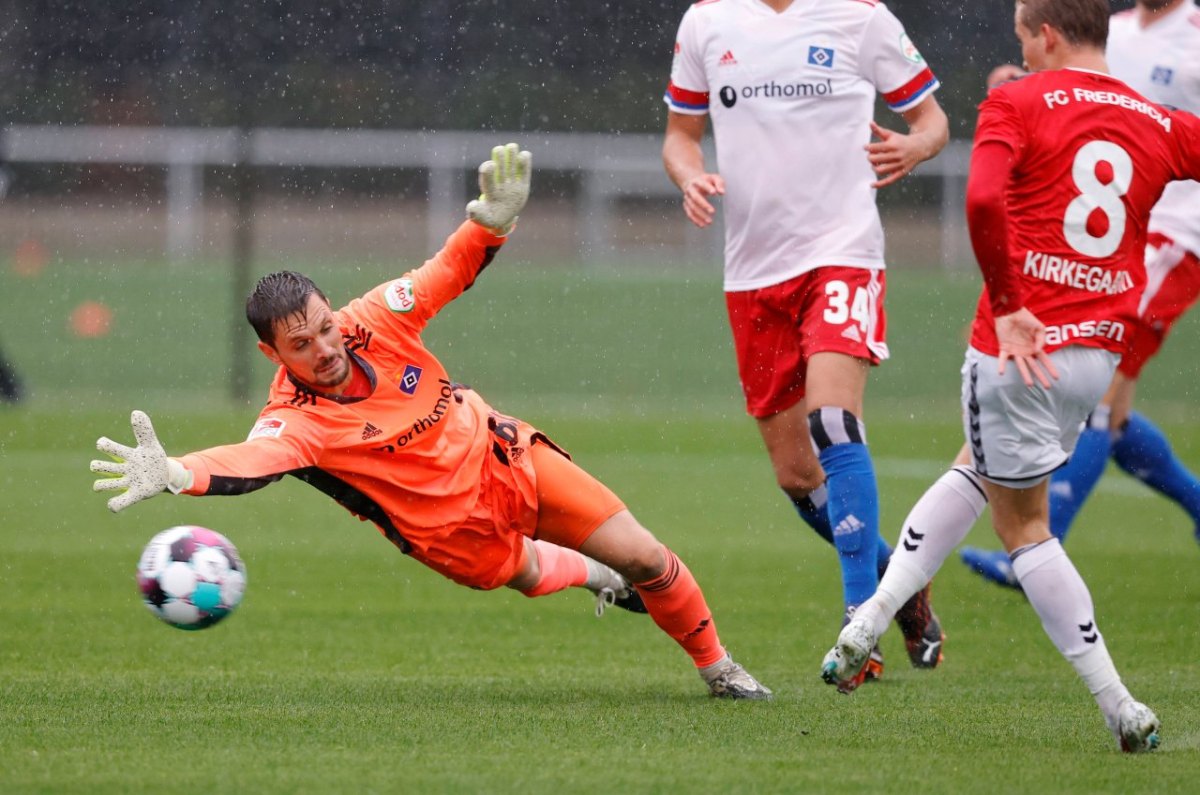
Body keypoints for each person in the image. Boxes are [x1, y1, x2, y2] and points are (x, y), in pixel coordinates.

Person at [89, 144, 773, 701]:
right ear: (272, 353)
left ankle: (720, 670)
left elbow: (444, 270)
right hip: (449, 532)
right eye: (301, 344)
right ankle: (595, 576)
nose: (325, 348)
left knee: (647, 555)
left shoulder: (376, 318)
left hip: (506, 455)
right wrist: (177, 472)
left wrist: (491, 224)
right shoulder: (295, 421)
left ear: (334, 311)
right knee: (534, 573)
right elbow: (248, 460)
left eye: (325, 327)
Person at [820, 0, 1200, 751]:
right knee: (976, 466)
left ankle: (1121, 705)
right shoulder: (1158, 120)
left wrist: (1009, 304)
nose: (1020, 52)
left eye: (1023, 37)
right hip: (1095, 357)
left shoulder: (1016, 99)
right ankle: (865, 622)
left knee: (1023, 528)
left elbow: (986, 196)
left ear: (1048, 35)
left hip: (1019, 348)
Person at [661, 0, 950, 689]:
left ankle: (861, 622)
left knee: (833, 420)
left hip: (842, 253)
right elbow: (679, 135)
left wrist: (915, 146)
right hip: (754, 276)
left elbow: (933, 121)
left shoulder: (860, 17)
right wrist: (688, 175)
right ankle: (899, 587)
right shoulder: (706, 21)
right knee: (796, 474)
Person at [961, 0, 1200, 588]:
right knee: (1103, 402)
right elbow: (1076, 106)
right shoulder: (1110, 31)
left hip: (1177, 235)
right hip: (1100, 245)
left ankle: (1040, 542)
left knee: (1099, 394)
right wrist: (1021, 86)